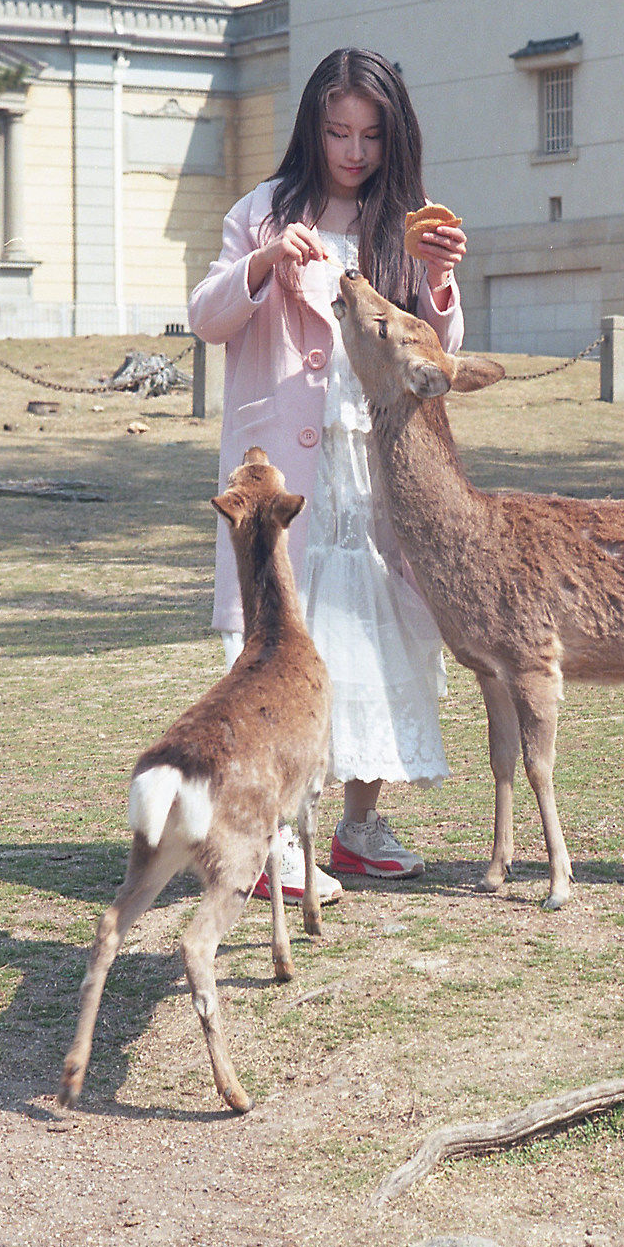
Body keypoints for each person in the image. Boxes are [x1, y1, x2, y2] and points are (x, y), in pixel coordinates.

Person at [186, 47, 468, 897]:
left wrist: (441, 282)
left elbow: (437, 358)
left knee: (384, 633)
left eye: (371, 135)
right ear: (312, 126)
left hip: (375, 464)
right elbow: (205, 317)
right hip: (289, 471)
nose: (353, 151)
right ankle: (272, 841)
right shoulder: (262, 211)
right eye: (338, 131)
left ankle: (355, 827)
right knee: (281, 651)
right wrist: (264, 265)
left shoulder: (405, 223)